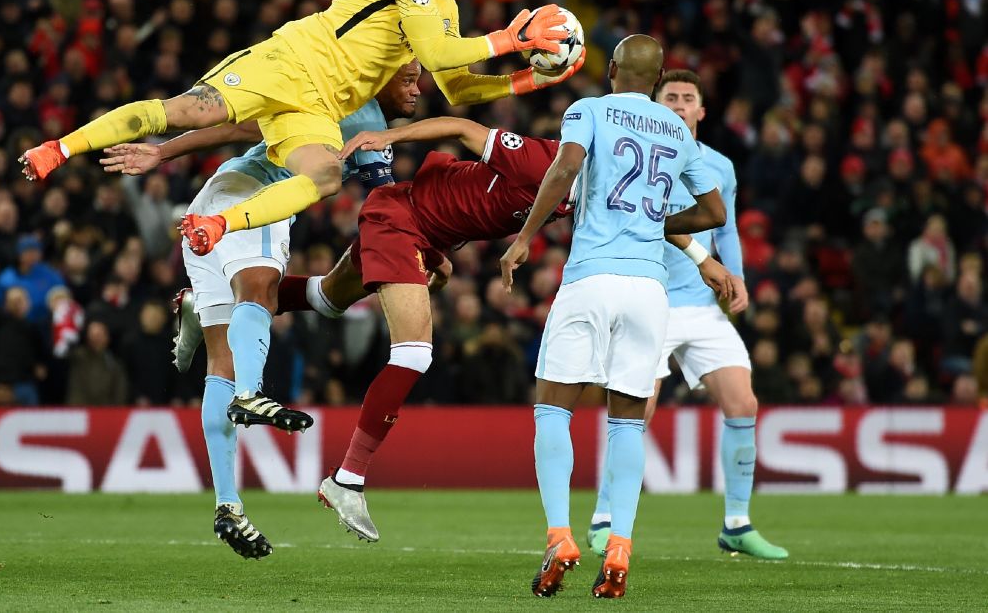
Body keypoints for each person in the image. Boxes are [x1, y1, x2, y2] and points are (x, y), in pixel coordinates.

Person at [261, 114, 731, 545]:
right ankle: (348, 479)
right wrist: (389, 137)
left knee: (326, 298)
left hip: (422, 230)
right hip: (399, 221)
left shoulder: (588, 191)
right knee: (413, 353)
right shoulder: (544, 158)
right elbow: (463, 128)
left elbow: (649, 219)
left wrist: (703, 259)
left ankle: (225, 303)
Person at [20, 0, 581, 244]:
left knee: (324, 177)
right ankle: (59, 149)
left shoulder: (447, 7)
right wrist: (509, 40)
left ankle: (214, 226)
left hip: (320, 106)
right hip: (290, 64)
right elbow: (436, 55)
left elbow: (454, 86)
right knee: (180, 112)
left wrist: (524, 79)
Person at [98, 61, 421, 560]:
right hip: (253, 199)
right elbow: (238, 125)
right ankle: (252, 393)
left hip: (210, 206)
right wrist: (162, 151)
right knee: (262, 294)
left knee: (219, 366)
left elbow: (382, 204)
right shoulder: (345, 107)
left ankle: (228, 503)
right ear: (379, 80)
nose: (417, 89)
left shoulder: (374, 127)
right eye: (408, 79)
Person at [500, 35, 726, 599]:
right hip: (650, 288)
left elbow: (565, 167)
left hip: (592, 278)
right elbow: (715, 210)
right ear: (655, 82)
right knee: (627, 419)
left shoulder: (590, 110)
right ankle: (620, 544)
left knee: (553, 408)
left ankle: (560, 537)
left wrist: (526, 236)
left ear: (614, 71)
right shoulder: (677, 129)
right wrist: (657, 225)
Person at [586, 70, 789, 562]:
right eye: (669, 97)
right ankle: (604, 517)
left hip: (700, 305)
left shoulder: (719, 166)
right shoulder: (635, 154)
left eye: (687, 98)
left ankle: (737, 525)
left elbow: (729, 230)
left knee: (743, 403)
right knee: (638, 410)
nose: (678, 104)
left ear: (702, 111)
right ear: (655, 106)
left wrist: (735, 277)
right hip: (649, 296)